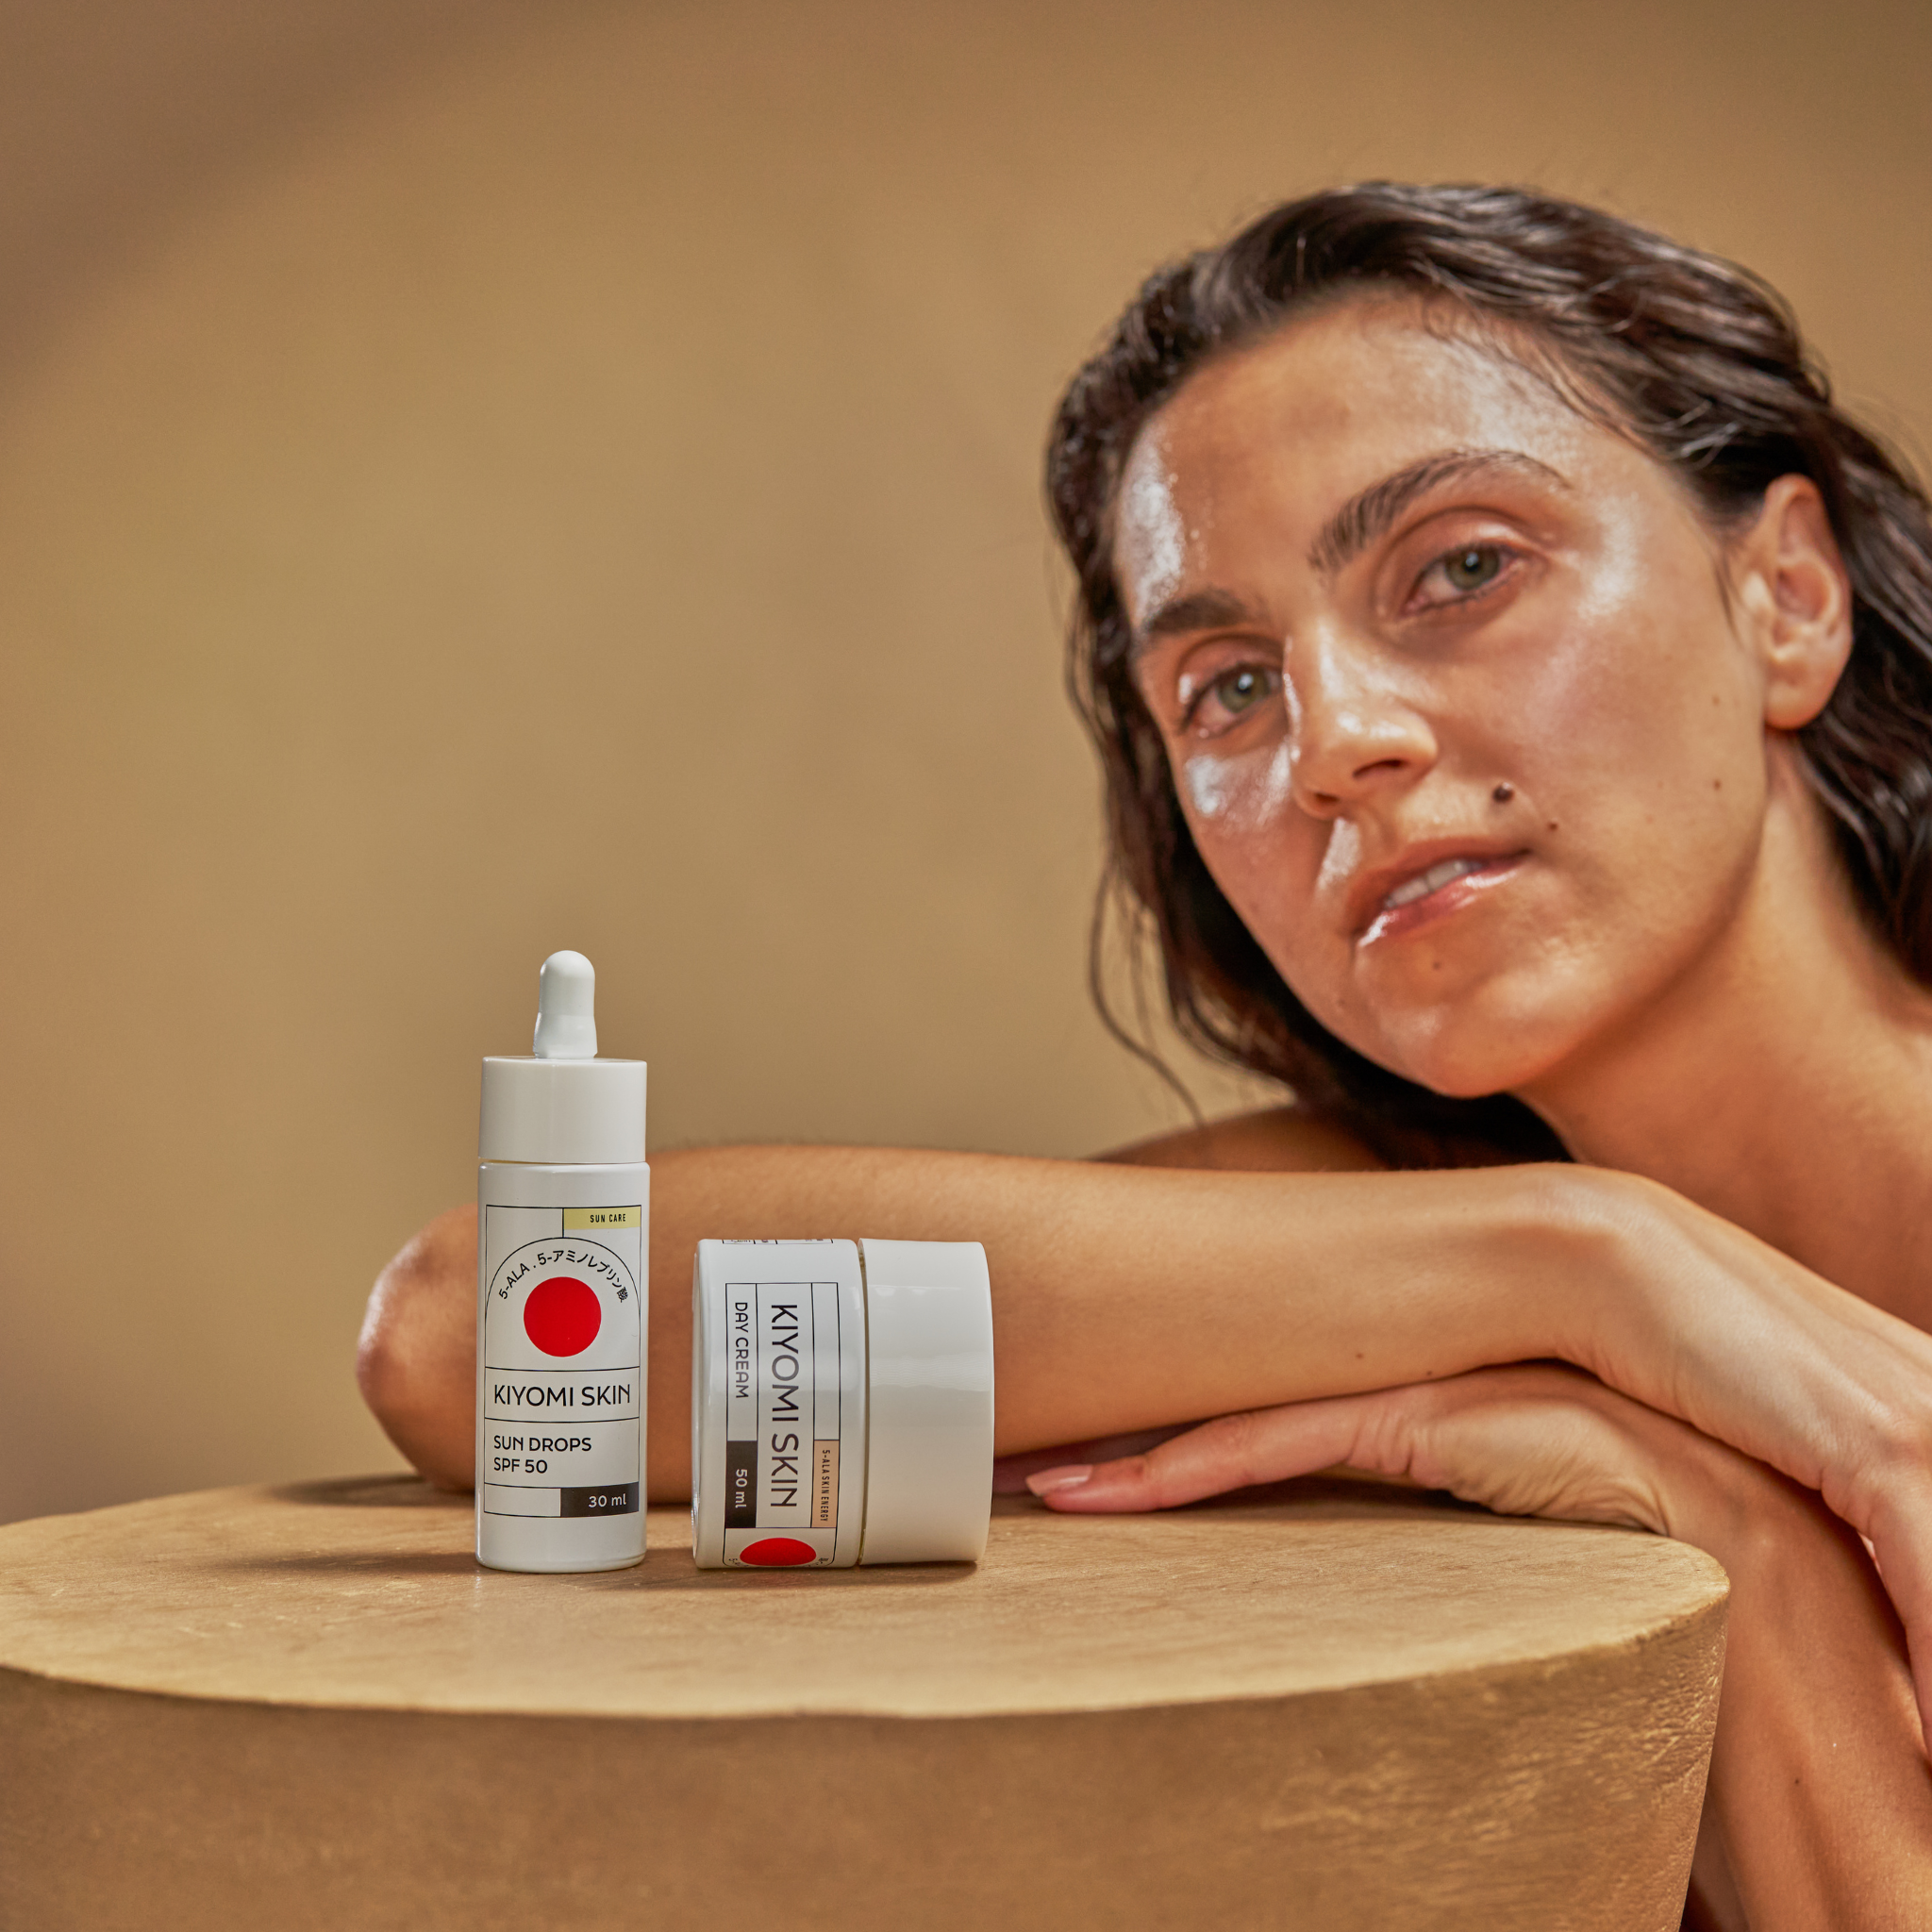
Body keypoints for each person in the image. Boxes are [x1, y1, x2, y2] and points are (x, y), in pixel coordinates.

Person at [358, 185, 1932, 1926]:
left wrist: (1752, 1572)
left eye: (1464, 568)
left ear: (1786, 598)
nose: (1336, 742)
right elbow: (482, 1346)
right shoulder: (1414, 1242)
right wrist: (1599, 1270)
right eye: (1228, 690)